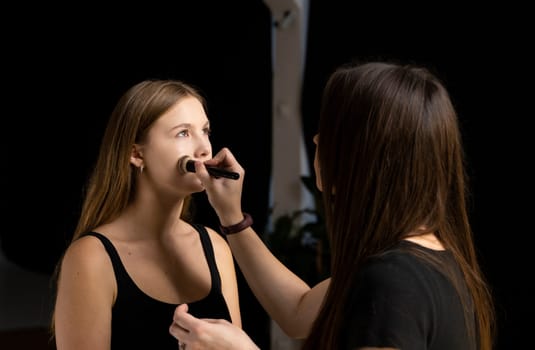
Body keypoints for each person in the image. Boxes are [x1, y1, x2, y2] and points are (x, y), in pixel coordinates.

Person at [169, 61, 496, 349]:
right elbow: (298, 312)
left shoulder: (392, 281)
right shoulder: (425, 259)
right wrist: (231, 215)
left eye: (332, 130)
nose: (316, 139)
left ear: (364, 155)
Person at [52, 79, 241, 349]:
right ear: (136, 154)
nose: (204, 149)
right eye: (183, 133)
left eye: (205, 130)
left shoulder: (215, 246)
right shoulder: (92, 258)